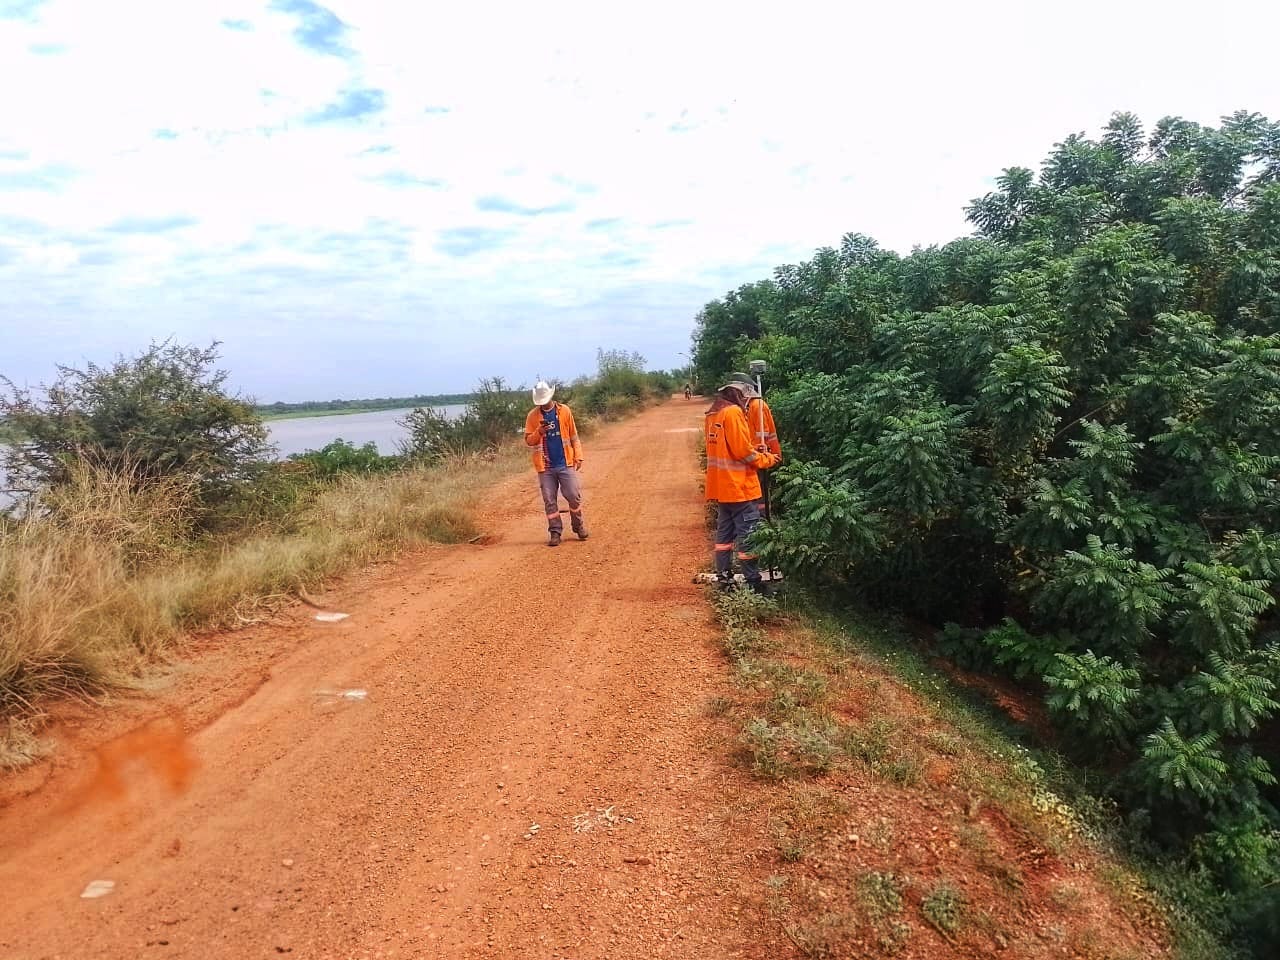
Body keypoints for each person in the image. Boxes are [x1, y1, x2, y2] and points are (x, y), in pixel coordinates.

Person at [705, 381, 780, 592]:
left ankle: (724, 577)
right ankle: (753, 581)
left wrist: (755, 448)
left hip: (723, 488)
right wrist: (767, 459)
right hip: (740, 488)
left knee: (724, 536)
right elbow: (742, 453)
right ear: (738, 395)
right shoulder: (733, 413)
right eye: (745, 398)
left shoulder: (713, 414)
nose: (747, 402)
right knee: (748, 535)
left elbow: (731, 447)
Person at [524, 380, 588, 547]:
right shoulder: (532, 416)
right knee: (549, 500)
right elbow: (529, 441)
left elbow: (574, 436)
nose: (543, 403)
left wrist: (578, 456)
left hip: (565, 462)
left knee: (573, 495)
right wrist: (539, 432)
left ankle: (578, 525)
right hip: (545, 466)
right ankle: (555, 532)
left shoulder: (564, 411)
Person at [729, 372, 782, 514]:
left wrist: (758, 455)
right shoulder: (745, 407)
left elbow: (762, 435)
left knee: (759, 493)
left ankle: (761, 520)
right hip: (752, 456)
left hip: (760, 456)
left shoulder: (757, 406)